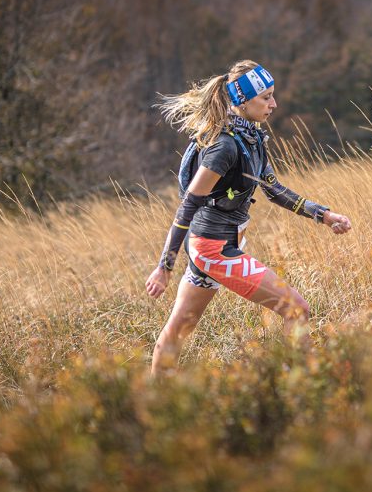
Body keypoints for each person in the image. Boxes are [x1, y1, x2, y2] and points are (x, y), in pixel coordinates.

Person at [145, 60, 352, 374]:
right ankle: (304, 385)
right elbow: (187, 206)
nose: (274, 104)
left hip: (216, 245)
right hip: (213, 249)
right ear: (242, 101)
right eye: (266, 97)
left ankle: (153, 396)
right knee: (296, 309)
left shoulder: (251, 138)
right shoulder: (224, 147)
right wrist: (164, 267)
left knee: (179, 330)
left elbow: (274, 190)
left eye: (272, 95)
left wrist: (323, 215)